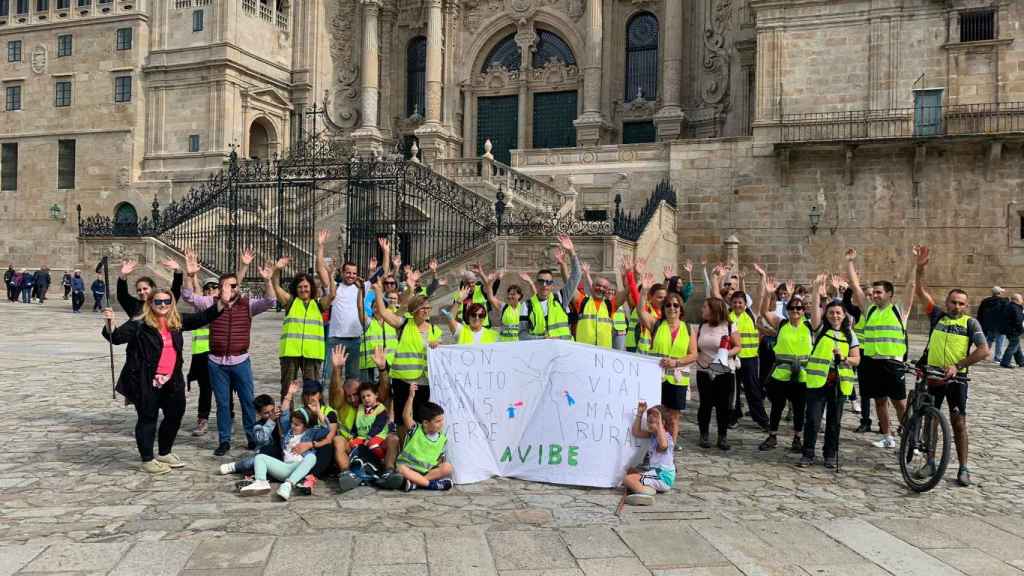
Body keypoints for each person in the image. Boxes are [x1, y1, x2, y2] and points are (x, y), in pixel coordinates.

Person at [102, 288, 225, 474]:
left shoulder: (176, 321)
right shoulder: (140, 323)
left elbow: (204, 317)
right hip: (145, 380)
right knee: (148, 418)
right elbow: (117, 338)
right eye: (158, 302)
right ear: (150, 303)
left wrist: (222, 302)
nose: (163, 305)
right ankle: (147, 459)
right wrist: (109, 323)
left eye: (167, 301)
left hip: (172, 379)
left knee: (175, 414)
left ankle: (164, 452)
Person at [183, 248, 276, 456]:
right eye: (229, 285)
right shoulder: (211, 303)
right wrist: (190, 275)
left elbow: (271, 302)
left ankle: (252, 439)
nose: (233, 289)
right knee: (223, 404)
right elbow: (188, 296)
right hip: (216, 362)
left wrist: (268, 281)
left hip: (241, 360)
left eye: (235, 285)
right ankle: (224, 441)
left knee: (247, 402)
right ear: (221, 287)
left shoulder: (247, 305)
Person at [914, 246, 989, 486]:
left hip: (956, 380)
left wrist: (958, 365)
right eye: (953, 302)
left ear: (966, 306)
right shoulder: (937, 315)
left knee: (958, 423)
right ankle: (930, 462)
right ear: (947, 302)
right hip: (933, 377)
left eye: (961, 303)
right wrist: (920, 268)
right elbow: (919, 291)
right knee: (931, 421)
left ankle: (964, 467)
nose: (956, 306)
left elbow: (984, 350)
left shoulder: (971, 324)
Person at [846, 248, 915, 450]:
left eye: (878, 292)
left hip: (893, 363)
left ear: (889, 294)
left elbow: (911, 286)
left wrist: (914, 265)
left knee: (899, 403)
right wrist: (850, 262)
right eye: (873, 292)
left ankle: (910, 438)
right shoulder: (869, 310)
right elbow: (856, 288)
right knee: (879, 402)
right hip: (871, 362)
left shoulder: (899, 310)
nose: (874, 295)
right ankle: (887, 436)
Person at [800, 274, 861, 468]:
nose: (835, 316)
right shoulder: (820, 329)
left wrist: (844, 359)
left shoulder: (850, 335)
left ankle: (829, 453)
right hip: (818, 383)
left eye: (838, 313)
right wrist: (817, 288)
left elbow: (857, 359)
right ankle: (808, 453)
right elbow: (816, 311)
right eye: (832, 312)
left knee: (834, 422)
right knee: (812, 420)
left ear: (844, 316)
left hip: (840, 384)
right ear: (827, 314)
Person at [271, 230, 336, 399]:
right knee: (287, 389)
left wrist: (330, 275)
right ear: (296, 289)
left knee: (312, 390)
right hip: (290, 352)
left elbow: (332, 296)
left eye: (306, 287)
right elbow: (276, 287)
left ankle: (311, 418)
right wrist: (277, 270)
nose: (303, 289)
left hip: (312, 353)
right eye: (300, 287)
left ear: (311, 288)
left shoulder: (318, 304)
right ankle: (287, 418)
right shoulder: (290, 302)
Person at [373, 281, 443, 435]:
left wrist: (437, 344)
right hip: (402, 382)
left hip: (423, 383)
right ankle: (402, 449)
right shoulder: (404, 324)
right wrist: (378, 292)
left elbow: (441, 353)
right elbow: (384, 313)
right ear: (414, 310)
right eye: (422, 308)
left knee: (420, 420)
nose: (426, 311)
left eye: (428, 307)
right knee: (401, 421)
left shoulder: (435, 330)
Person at [239, 382, 329, 500]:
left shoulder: (310, 433)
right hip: (284, 467)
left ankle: (287, 485)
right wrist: (289, 394)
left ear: (305, 426)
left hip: (299, 468)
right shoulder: (288, 432)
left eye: (296, 425)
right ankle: (261, 482)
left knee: (312, 457)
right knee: (259, 457)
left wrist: (318, 412)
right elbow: (285, 414)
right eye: (292, 423)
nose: (292, 426)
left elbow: (326, 428)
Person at [637, 275, 696, 447]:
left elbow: (694, 355)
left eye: (675, 305)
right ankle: (653, 449)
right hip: (657, 377)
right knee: (655, 414)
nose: (672, 308)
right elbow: (641, 311)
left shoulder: (687, 328)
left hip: (677, 378)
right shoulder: (656, 324)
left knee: (673, 418)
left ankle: (669, 452)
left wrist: (676, 362)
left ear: (681, 308)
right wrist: (644, 291)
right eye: (668, 305)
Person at [758, 276, 812, 454]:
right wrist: (768, 293)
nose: (795, 310)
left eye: (799, 308)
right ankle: (772, 435)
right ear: (787, 310)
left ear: (803, 311)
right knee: (777, 407)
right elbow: (764, 311)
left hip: (802, 374)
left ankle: (797, 438)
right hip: (781, 373)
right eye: (792, 308)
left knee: (799, 409)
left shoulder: (810, 327)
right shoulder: (782, 324)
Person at [693, 297, 742, 450]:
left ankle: (722, 436)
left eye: (705, 307)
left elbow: (738, 347)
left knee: (723, 406)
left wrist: (724, 354)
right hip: (704, 371)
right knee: (705, 405)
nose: (702, 309)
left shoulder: (729, 326)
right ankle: (704, 435)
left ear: (714, 309)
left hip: (724, 372)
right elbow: (696, 348)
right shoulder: (701, 326)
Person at [324, 239, 372, 387]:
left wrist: (386, 253)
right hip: (335, 339)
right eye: (348, 272)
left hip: (356, 340)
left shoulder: (362, 287)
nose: (351, 275)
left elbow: (382, 273)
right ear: (342, 272)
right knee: (331, 379)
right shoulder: (335, 287)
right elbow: (321, 270)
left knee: (353, 381)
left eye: (354, 273)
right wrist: (321, 246)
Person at [519, 235, 581, 341]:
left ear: (552, 285)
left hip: (564, 349)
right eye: (541, 281)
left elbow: (576, 275)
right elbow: (522, 335)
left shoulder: (561, 298)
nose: (544, 285)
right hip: (540, 350)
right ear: (536, 284)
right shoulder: (526, 305)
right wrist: (543, 339)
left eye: (548, 282)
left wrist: (571, 252)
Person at [394, 383, 454, 491]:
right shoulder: (416, 430)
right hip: (408, 468)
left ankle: (416, 484)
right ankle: (431, 485)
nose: (441, 424)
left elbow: (440, 459)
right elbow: (406, 416)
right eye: (437, 421)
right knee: (400, 469)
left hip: (426, 472)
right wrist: (411, 396)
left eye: (442, 420)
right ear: (426, 423)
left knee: (448, 467)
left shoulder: (442, 438)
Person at [218, 394, 284, 480]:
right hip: (264, 456)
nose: (271, 414)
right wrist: (271, 421)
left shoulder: (280, 419)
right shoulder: (257, 426)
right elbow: (261, 440)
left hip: (279, 456)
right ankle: (234, 466)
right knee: (249, 463)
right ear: (258, 413)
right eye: (266, 413)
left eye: (272, 410)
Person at [622, 403, 675, 506]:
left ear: (662, 423)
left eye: (652, 422)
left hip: (663, 477)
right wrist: (640, 414)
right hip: (657, 474)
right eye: (648, 422)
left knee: (628, 479)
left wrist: (659, 422)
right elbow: (636, 432)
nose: (649, 425)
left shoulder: (666, 437)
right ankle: (646, 489)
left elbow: (663, 445)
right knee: (630, 471)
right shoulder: (653, 435)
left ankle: (646, 494)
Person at [188, 280, 220, 437]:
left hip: (220, 351)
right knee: (205, 389)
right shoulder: (199, 306)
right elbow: (194, 295)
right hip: (201, 353)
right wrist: (193, 277)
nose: (210, 290)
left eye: (214, 287)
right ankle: (203, 419)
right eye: (207, 288)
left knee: (225, 387)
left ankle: (227, 416)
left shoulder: (224, 306)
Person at [476, 264, 528, 342]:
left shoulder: (524, 307)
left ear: (519, 296)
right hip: (503, 344)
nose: (510, 296)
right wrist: (489, 280)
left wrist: (530, 282)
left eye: (513, 294)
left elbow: (537, 298)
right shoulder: (504, 306)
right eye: (509, 294)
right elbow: (490, 296)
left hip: (518, 344)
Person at [117, 258, 184, 318]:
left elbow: (176, 289)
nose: (142, 292)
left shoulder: (164, 303)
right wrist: (122, 275)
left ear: (153, 288)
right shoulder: (134, 305)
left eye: (145, 289)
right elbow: (122, 295)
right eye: (139, 290)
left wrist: (178, 270)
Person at [977, 286, 1008, 361]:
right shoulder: (1004, 302)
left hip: (989, 325)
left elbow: (980, 313)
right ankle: (998, 357)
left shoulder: (985, 301)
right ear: (999, 293)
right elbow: (1007, 313)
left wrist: (981, 323)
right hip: (1000, 325)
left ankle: (984, 355)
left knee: (989, 340)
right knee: (1000, 341)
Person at [999, 293, 1024, 369]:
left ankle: (1021, 361)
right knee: (1012, 347)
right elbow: (1018, 320)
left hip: (1010, 329)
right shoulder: (1015, 307)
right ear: (1016, 300)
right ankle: (1005, 362)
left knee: (1016, 346)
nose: (1022, 301)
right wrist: (1021, 329)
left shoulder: (1010, 306)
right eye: (1021, 299)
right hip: (1013, 330)